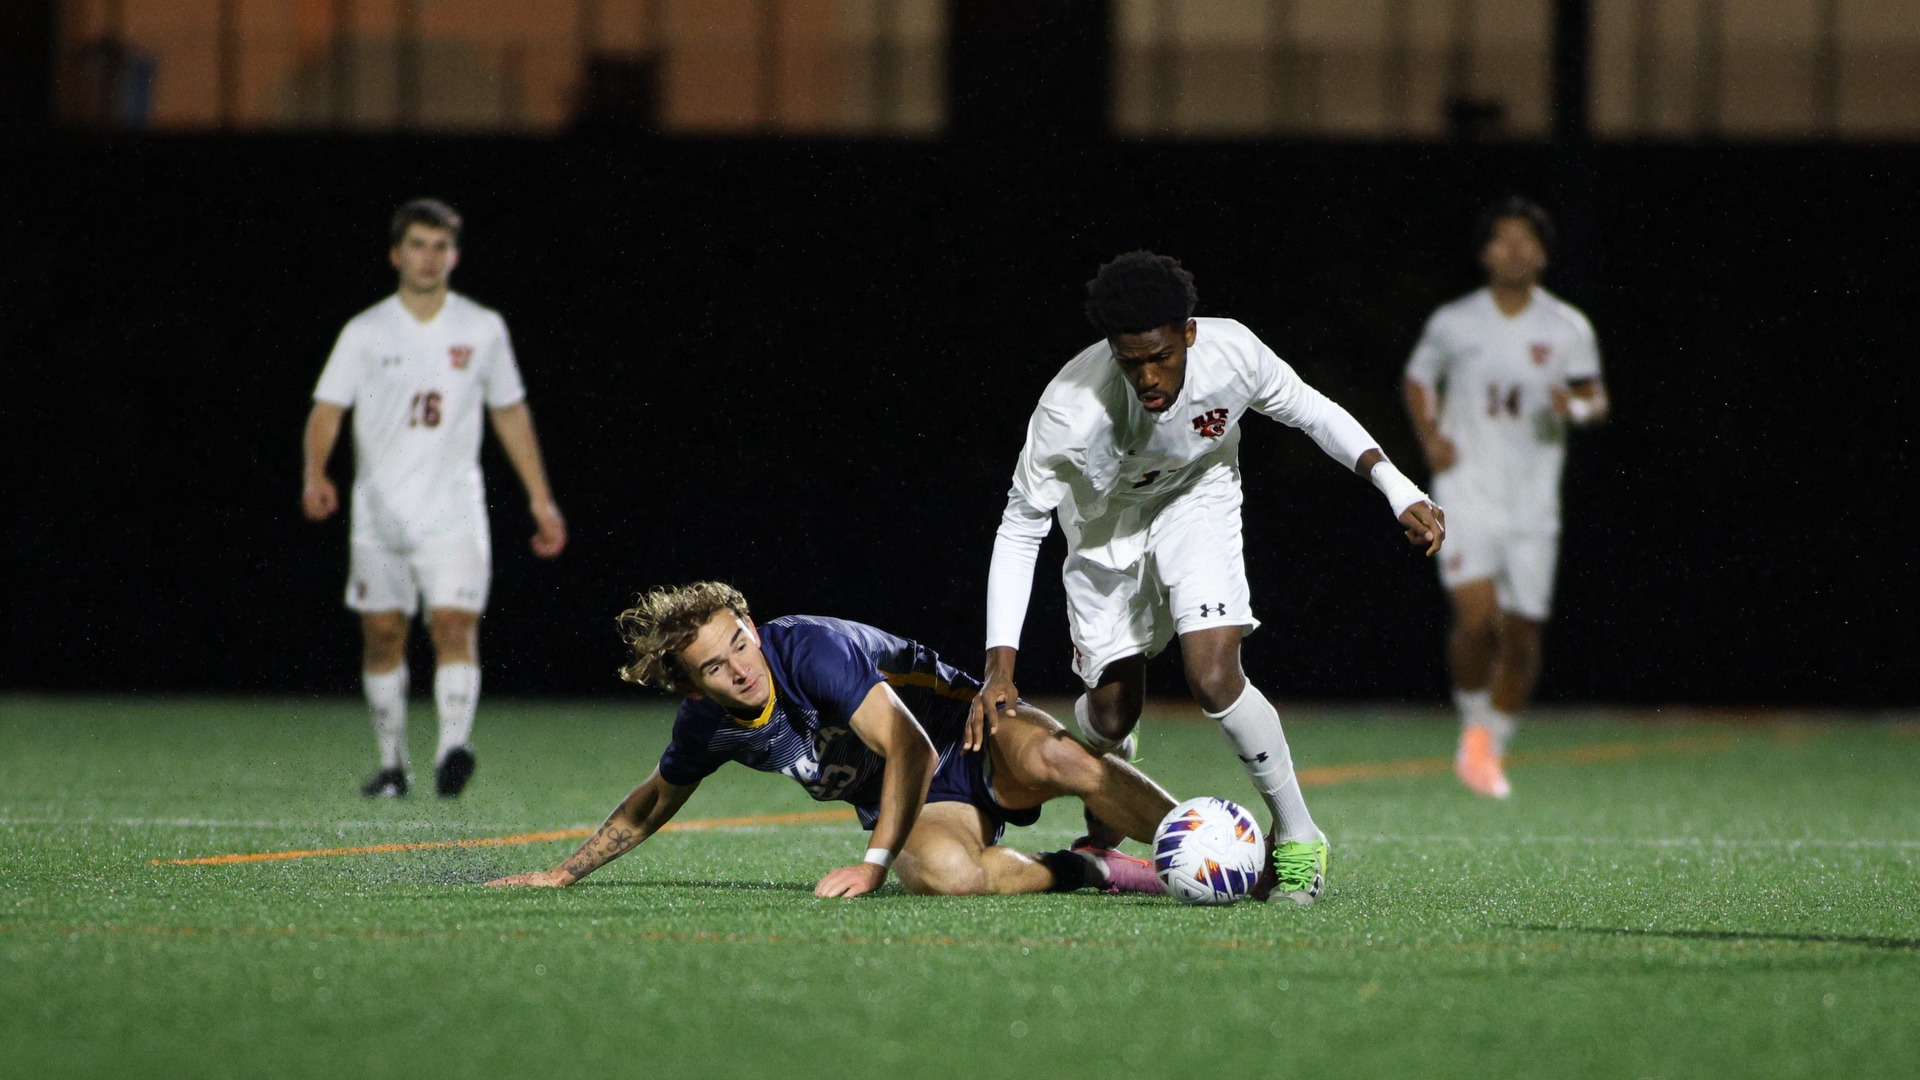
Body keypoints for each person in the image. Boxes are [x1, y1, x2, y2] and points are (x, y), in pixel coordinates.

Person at [972, 251, 1446, 906]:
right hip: (1104, 535)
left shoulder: (1233, 354)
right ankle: (1107, 797)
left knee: (1214, 674)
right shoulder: (1067, 412)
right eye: (1131, 360)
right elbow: (1020, 528)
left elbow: (1313, 412)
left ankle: (1300, 835)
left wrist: (1397, 488)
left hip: (1198, 503)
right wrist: (1000, 667)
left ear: (1188, 333)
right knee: (1110, 715)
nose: (1148, 375)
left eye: (1161, 355)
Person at [487, 582, 1177, 897]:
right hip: (917, 800)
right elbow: (652, 800)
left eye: (741, 643)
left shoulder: (810, 650)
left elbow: (910, 746)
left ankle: (1201, 850)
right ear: (694, 689)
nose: (742, 667)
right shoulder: (708, 724)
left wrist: (873, 864)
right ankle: (1092, 867)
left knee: (1058, 757)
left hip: (968, 730)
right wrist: (563, 872)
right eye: (717, 667)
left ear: (752, 627)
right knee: (949, 876)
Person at [301, 198, 567, 799]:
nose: (429, 257)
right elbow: (327, 409)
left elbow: (509, 413)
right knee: (384, 633)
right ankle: (393, 764)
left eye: (441, 246)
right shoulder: (366, 331)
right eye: (418, 245)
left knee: (454, 624)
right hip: (379, 512)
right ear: (397, 254)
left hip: (453, 509)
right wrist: (315, 473)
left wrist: (540, 500)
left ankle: (452, 747)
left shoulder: (481, 328)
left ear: (456, 255)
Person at [1402, 197, 1609, 799]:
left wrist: (1571, 406)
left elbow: (1595, 400)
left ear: (1542, 253)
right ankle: (1474, 732)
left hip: (1533, 502)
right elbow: (1419, 379)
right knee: (1475, 618)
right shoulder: (1454, 322)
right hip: (1466, 491)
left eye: (1526, 241)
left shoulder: (1567, 327)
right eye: (1502, 239)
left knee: (1520, 635)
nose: (1514, 251)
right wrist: (1431, 436)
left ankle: (1493, 742)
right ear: (1486, 252)